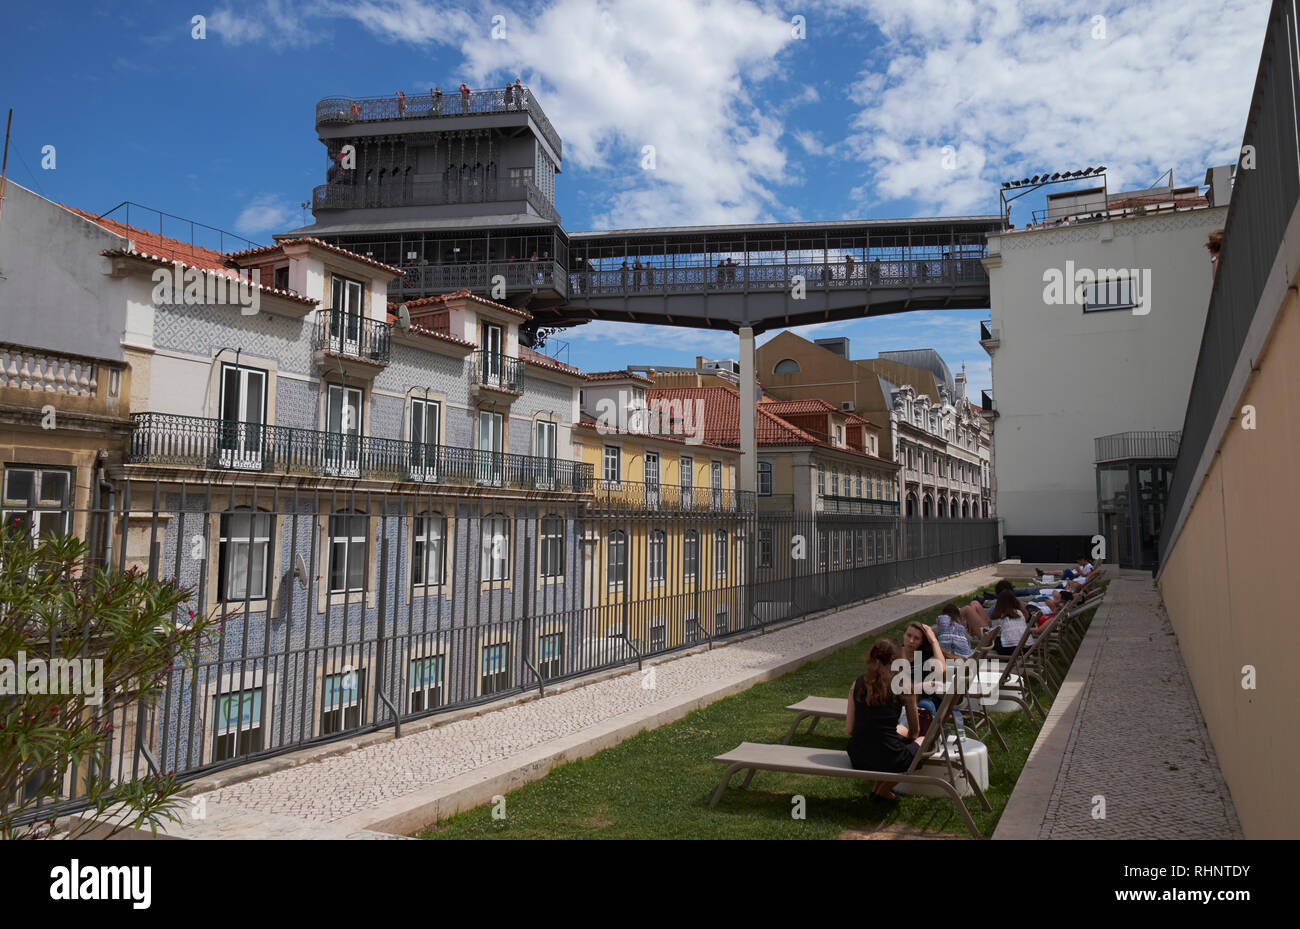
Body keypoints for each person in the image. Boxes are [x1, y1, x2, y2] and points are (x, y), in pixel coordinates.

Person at [845, 638, 923, 800]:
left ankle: (879, 792)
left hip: (858, 756)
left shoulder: (857, 684)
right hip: (889, 757)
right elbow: (915, 732)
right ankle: (882, 790)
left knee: (893, 738)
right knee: (924, 741)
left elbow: (849, 729)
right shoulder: (904, 686)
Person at [990, 590, 1028, 656]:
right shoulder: (1019, 613)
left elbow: (994, 634)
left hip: (1009, 649)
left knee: (993, 640)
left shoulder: (998, 616)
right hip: (1026, 648)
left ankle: (993, 664)